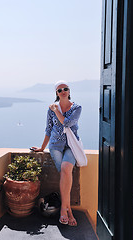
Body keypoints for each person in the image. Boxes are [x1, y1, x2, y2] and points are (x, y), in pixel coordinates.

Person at [31, 80, 82, 226]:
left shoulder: (76, 108)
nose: (63, 91)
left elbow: (67, 123)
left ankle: (64, 211)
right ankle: (68, 210)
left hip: (71, 146)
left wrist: (56, 110)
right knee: (64, 175)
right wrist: (42, 148)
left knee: (66, 169)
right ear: (56, 93)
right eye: (59, 90)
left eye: (65, 89)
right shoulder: (50, 109)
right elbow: (48, 130)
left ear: (69, 91)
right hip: (55, 146)